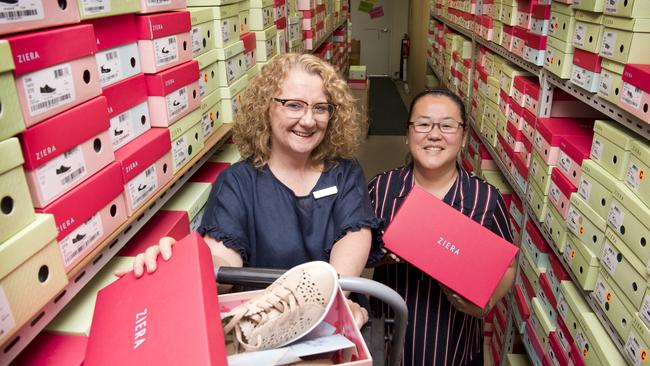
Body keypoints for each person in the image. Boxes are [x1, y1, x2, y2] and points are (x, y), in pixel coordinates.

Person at [121, 53, 379, 327]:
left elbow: (352, 242)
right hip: (263, 328)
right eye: (294, 105)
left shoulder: (344, 172)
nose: (308, 120)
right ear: (266, 108)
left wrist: (323, 306)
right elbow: (223, 262)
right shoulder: (237, 182)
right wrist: (185, 266)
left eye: (320, 108)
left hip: (334, 315)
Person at [369, 89, 516, 366]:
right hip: (389, 339)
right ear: (408, 133)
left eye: (447, 125)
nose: (434, 135)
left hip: (454, 345)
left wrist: (486, 303)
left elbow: (507, 265)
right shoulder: (383, 188)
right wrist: (381, 254)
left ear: (463, 137)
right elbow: (357, 248)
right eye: (423, 124)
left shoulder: (485, 199)